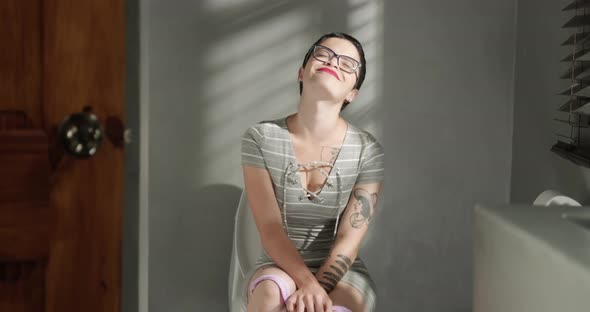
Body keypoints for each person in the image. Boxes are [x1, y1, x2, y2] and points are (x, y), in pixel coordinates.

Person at [239, 32, 385, 312]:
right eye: (323, 54)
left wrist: (316, 290)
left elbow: (348, 241)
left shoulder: (368, 149)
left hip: (344, 275)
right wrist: (307, 284)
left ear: (353, 93)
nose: (333, 61)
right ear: (301, 72)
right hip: (276, 265)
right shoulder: (260, 137)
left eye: (347, 64)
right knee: (270, 295)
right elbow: (270, 229)